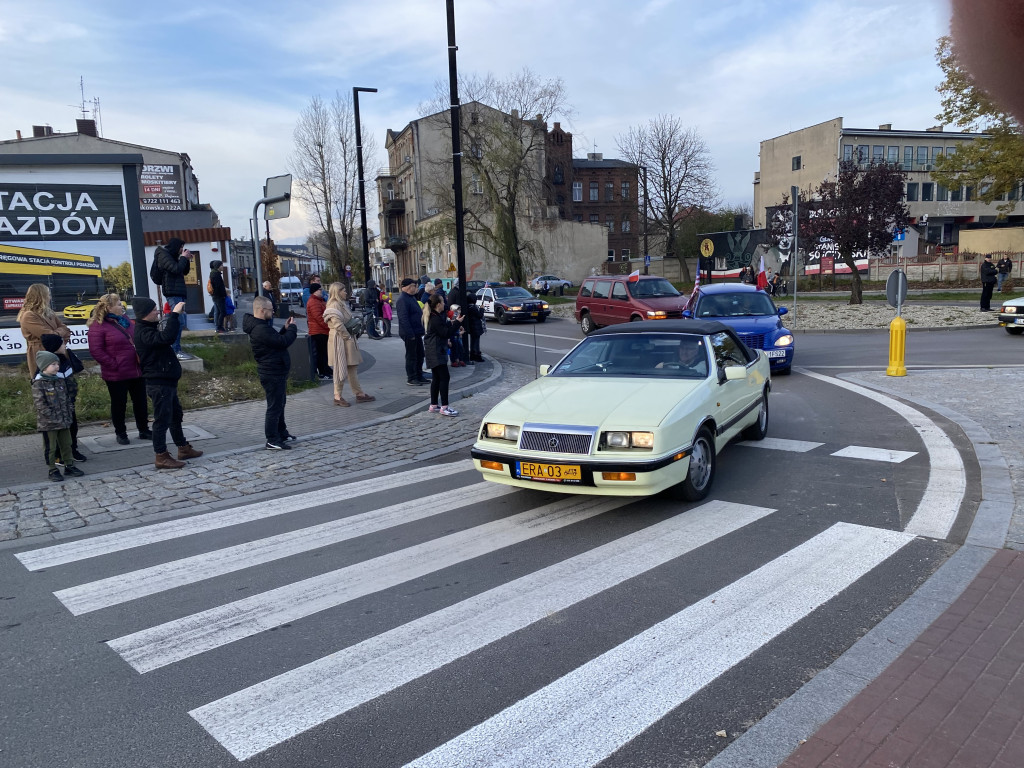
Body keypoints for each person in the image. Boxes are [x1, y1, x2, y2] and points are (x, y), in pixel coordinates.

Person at [133, 297, 204, 469]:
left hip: (166, 381)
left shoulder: (148, 328)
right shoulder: (143, 332)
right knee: (162, 420)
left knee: (175, 416)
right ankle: (161, 456)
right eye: (154, 310)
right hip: (158, 383)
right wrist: (173, 315)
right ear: (144, 314)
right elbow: (167, 338)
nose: (157, 311)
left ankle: (183, 447)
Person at [86, 294, 151, 445]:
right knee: (119, 404)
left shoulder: (126, 321)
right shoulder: (98, 325)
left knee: (141, 402)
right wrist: (114, 365)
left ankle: (144, 430)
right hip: (116, 373)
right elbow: (96, 351)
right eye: (119, 304)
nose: (122, 306)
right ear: (109, 307)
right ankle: (121, 433)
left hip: (136, 368)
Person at [243, 296, 299, 450]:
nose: (273, 312)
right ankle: (272, 439)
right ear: (262, 310)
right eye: (270, 309)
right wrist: (293, 329)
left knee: (280, 403)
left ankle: (281, 432)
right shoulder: (260, 328)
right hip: (271, 372)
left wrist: (285, 329)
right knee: (274, 406)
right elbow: (282, 342)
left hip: (276, 371)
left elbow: (275, 340)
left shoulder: (262, 326)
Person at [32, 350, 84, 482]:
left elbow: (67, 399)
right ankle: (52, 469)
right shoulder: (39, 384)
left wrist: (69, 412)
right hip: (49, 423)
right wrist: (53, 417)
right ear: (44, 367)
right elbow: (40, 405)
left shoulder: (60, 381)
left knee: (67, 444)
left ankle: (69, 465)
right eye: (53, 364)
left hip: (64, 420)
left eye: (57, 364)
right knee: (51, 447)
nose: (57, 367)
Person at [322, 282, 376, 407]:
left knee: (352, 367)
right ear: (337, 291)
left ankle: (359, 394)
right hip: (339, 340)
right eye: (343, 290)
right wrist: (347, 337)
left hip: (346, 338)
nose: (346, 292)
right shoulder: (334, 305)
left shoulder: (341, 304)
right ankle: (337, 396)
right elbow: (337, 324)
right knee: (340, 367)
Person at [40, 333, 86, 465]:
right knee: (58, 431)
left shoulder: (64, 359)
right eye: (62, 343)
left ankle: (72, 450)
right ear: (55, 347)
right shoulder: (48, 365)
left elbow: (76, 371)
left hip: (69, 402)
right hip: (56, 405)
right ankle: (57, 455)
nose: (65, 345)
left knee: (72, 427)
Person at [16, 283, 71, 377]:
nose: (50, 297)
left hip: (57, 351)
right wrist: (59, 334)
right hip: (41, 354)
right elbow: (50, 336)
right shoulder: (29, 315)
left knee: (62, 383)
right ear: (41, 296)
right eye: (48, 295)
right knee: (45, 385)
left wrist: (58, 338)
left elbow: (66, 329)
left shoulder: (49, 312)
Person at [153, 237, 193, 360]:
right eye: (180, 247)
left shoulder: (172, 256)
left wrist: (186, 260)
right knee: (179, 321)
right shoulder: (163, 255)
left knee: (174, 320)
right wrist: (182, 258)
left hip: (178, 291)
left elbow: (184, 271)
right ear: (175, 246)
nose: (182, 249)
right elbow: (175, 269)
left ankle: (172, 348)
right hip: (172, 291)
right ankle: (175, 350)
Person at [424, 293, 460, 416]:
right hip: (436, 351)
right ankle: (444, 407)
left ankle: (433, 405)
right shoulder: (435, 318)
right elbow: (445, 333)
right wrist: (457, 323)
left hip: (434, 350)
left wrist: (453, 323)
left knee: (437, 378)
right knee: (444, 377)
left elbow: (443, 329)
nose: (445, 304)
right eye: (443, 302)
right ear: (438, 304)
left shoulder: (435, 316)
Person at [397, 277, 429, 387]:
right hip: (410, 333)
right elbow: (403, 318)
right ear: (406, 287)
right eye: (413, 286)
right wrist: (410, 334)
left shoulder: (411, 298)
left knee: (420, 355)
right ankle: (411, 377)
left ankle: (419, 375)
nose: (415, 288)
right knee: (412, 356)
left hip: (417, 332)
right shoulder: (402, 299)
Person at [305, 282, 332, 380]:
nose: (322, 291)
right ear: (315, 291)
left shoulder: (319, 301)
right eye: (320, 289)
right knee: (321, 353)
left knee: (324, 352)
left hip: (321, 331)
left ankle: (325, 369)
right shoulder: (313, 302)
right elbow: (319, 318)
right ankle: (322, 372)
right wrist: (329, 326)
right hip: (318, 332)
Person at [464, 294, 485, 363]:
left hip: (471, 327)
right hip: (476, 326)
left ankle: (472, 355)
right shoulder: (473, 307)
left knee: (473, 341)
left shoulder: (467, 307)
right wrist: (482, 309)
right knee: (476, 342)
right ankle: (477, 355)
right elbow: (479, 315)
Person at [209, 260, 228, 333]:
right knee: (222, 312)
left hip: (216, 296)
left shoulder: (214, 274)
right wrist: (222, 295)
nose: (222, 267)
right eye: (221, 265)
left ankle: (218, 327)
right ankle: (219, 327)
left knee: (218, 312)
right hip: (218, 296)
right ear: (218, 266)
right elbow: (217, 287)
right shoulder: (216, 275)